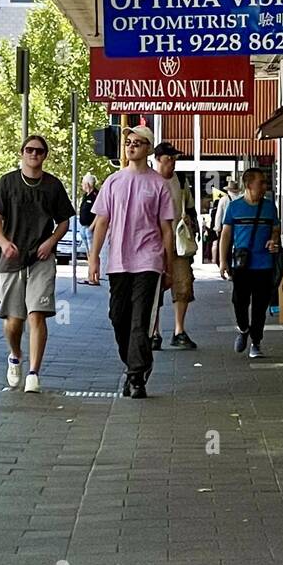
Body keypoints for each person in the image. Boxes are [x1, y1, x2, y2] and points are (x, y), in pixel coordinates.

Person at [87, 126, 175, 398]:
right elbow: (101, 222)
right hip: (118, 261)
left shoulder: (158, 184)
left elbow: (166, 229)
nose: (131, 146)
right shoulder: (113, 182)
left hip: (149, 260)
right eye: (128, 142)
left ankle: (136, 377)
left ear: (148, 149)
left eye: (137, 143)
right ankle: (137, 362)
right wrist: (93, 260)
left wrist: (168, 266)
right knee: (118, 317)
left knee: (140, 320)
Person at [0, 134, 76, 394]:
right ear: (22, 153)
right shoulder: (7, 182)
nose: (33, 154)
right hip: (12, 257)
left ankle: (34, 373)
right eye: (29, 150)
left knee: (37, 314)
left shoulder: (52, 186)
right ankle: (15, 355)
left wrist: (51, 242)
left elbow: (64, 221)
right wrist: (4, 243)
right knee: (14, 321)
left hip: (41, 259)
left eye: (38, 151)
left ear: (45, 155)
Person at [219, 168, 281, 359]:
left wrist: (273, 240)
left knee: (260, 306)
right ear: (248, 185)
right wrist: (223, 261)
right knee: (239, 302)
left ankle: (256, 341)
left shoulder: (270, 207)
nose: (265, 186)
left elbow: (276, 230)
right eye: (260, 182)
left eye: (265, 182)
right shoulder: (234, 207)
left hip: (264, 264)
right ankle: (244, 329)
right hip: (242, 264)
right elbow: (226, 235)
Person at [150, 142, 199, 350]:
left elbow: (190, 207)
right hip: (153, 242)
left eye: (175, 159)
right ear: (158, 159)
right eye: (169, 159)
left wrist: (192, 223)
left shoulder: (181, 180)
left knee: (183, 284)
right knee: (154, 288)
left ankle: (179, 330)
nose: (173, 163)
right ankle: (154, 332)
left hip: (178, 242)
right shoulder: (148, 180)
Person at [209, 176, 241, 265]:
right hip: (239, 228)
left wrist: (217, 228)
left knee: (225, 248)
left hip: (226, 228)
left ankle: (226, 266)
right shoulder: (241, 199)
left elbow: (219, 215)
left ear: (228, 190)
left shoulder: (224, 199)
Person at [77, 172, 98, 279]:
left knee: (93, 252)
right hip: (83, 227)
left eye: (83, 183)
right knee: (88, 253)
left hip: (91, 228)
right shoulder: (86, 195)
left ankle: (95, 277)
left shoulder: (95, 195)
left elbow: (99, 213)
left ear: (88, 184)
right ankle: (90, 275)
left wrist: (92, 227)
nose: (82, 185)